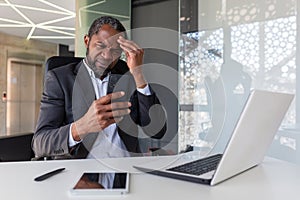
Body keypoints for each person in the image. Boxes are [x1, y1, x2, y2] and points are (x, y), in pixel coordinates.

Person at [32, 16, 167, 163]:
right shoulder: (60, 79)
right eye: (100, 46)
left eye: (115, 50)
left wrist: (138, 74)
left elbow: (157, 131)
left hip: (125, 166)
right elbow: (40, 144)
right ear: (87, 41)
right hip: (83, 171)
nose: (107, 56)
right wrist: (81, 127)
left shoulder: (127, 73)